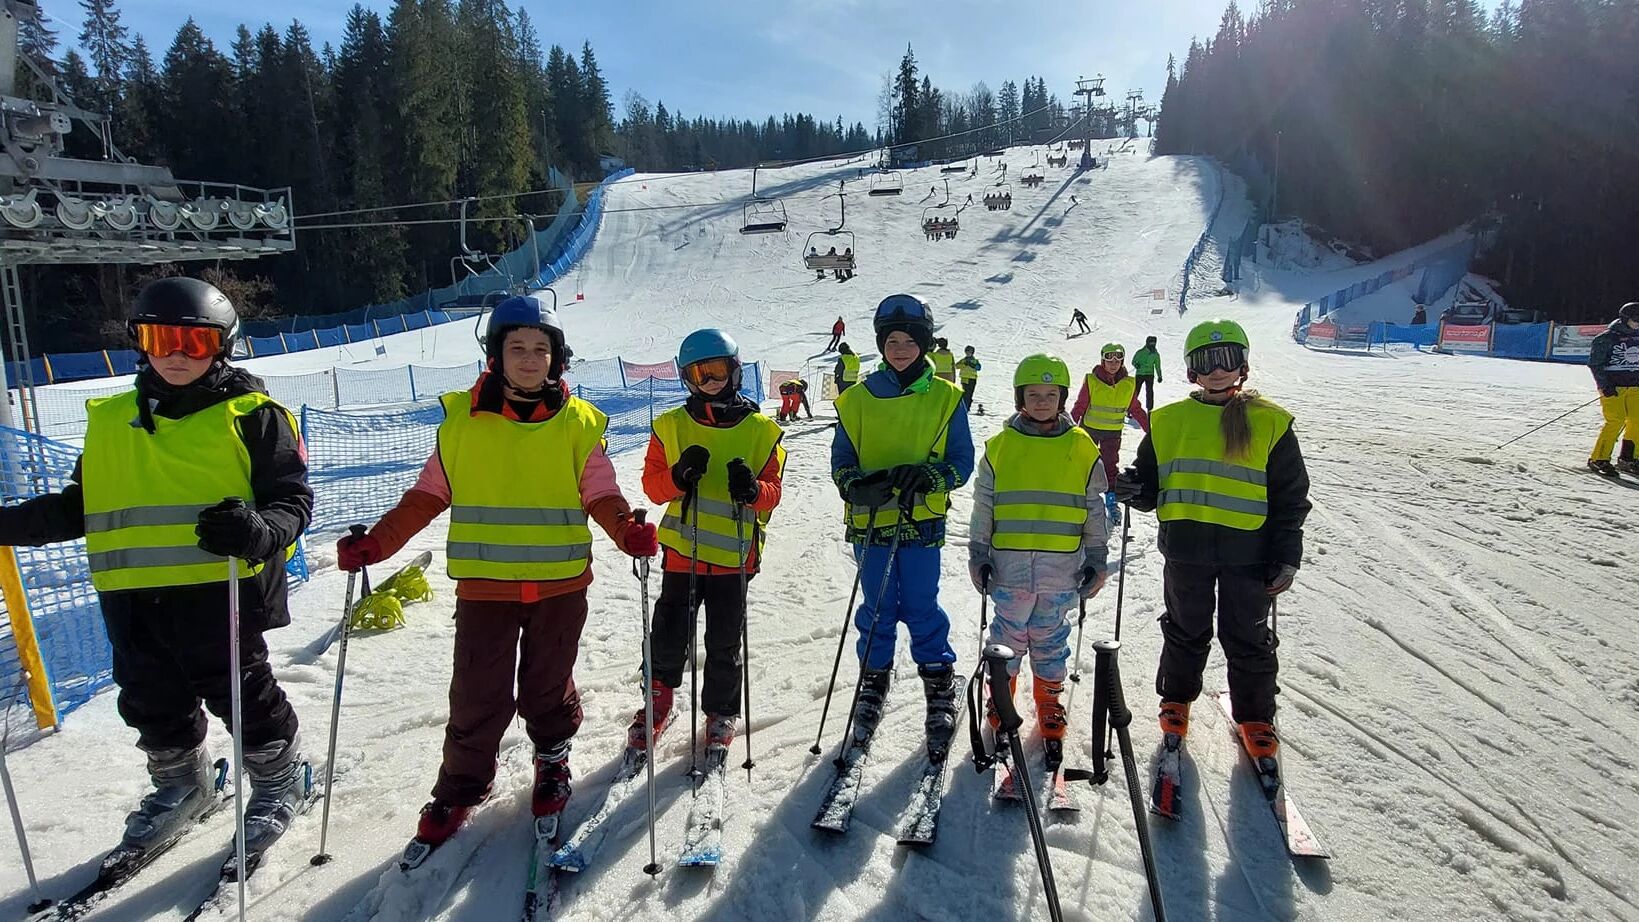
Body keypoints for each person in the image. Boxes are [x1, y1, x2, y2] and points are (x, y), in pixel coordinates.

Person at [0, 278, 313, 858]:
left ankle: (279, 776)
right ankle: (181, 782)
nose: (176, 354)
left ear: (222, 345)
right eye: (161, 339)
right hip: (132, 594)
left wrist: (258, 531)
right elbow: (81, 506)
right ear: (139, 341)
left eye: (195, 343)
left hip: (219, 590)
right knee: (149, 696)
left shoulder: (254, 416)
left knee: (241, 692)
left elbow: (292, 502)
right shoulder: (111, 420)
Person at [336, 293, 658, 849]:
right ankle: (461, 786)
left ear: (557, 358)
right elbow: (427, 496)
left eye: (541, 349)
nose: (530, 359)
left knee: (547, 685)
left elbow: (601, 493)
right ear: (496, 355)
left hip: (559, 586)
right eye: (518, 348)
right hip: (486, 590)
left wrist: (626, 530)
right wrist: (378, 544)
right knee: (477, 693)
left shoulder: (580, 423)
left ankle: (552, 760)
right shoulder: (463, 423)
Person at [1113, 319, 1311, 789]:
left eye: (1227, 360)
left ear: (1242, 365)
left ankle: (1256, 717)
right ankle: (1176, 701)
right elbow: (1152, 485)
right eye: (1206, 361)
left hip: (1250, 554)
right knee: (1185, 630)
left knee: (1247, 637)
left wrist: (1287, 554)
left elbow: (1290, 496)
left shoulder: (1270, 422)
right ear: (1191, 370)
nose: (1217, 370)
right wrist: (1135, 489)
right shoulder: (1169, 421)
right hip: (1187, 550)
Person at [831, 294, 973, 759]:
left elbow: (961, 462)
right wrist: (855, 486)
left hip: (920, 521)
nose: (900, 350)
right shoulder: (855, 400)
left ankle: (937, 678)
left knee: (920, 604)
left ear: (925, 344)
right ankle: (874, 677)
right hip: (872, 521)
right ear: (880, 345)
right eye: (891, 341)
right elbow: (842, 460)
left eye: (909, 342)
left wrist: (931, 477)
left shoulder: (947, 399)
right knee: (877, 607)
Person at [630, 330, 785, 753]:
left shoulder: (762, 431)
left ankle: (721, 711)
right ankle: (657, 700)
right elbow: (653, 487)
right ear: (687, 378)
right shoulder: (670, 426)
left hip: (735, 556)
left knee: (723, 640)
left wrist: (753, 491)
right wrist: (677, 476)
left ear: (735, 371)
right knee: (668, 632)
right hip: (684, 552)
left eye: (717, 371)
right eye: (701, 374)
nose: (711, 381)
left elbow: (773, 492)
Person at [968, 354, 1109, 766]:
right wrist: (978, 553)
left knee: (1050, 641)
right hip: (1009, 569)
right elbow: (983, 505)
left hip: (1060, 571)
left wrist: (1097, 556)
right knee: (1007, 638)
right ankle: (1001, 700)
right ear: (1020, 398)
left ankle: (1049, 704)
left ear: (1063, 397)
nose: (1043, 401)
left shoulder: (1081, 446)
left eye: (1051, 394)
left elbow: (1094, 507)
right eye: (1034, 394)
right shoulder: (1000, 446)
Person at [1071, 343, 1150, 525]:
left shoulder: (1128, 384)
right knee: (1084, 463)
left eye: (1117, 360)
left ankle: (1111, 501)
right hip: (1089, 431)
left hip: (1112, 434)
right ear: (1102, 361)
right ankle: (1079, 497)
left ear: (1122, 361)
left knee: (1110, 467)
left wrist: (1151, 431)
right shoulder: (1092, 381)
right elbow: (1080, 405)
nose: (1113, 363)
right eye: (1109, 359)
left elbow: (1136, 409)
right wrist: (1069, 426)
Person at [1588, 301, 1639, 476]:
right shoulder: (1607, 338)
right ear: (1625, 319)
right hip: (1614, 387)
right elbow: (1595, 364)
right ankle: (1599, 458)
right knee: (1615, 421)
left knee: (1637, 421)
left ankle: (1629, 458)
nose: (1638, 323)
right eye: (1635, 319)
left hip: (1635, 387)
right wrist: (1604, 385)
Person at [1132, 335, 1163, 411]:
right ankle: (1131, 406)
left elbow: (1157, 366)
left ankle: (1149, 409)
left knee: (1149, 391)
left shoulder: (1155, 355)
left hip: (1149, 375)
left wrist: (1159, 376)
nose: (1152, 345)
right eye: (1151, 343)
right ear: (1147, 343)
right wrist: (1136, 365)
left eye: (1154, 343)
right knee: (1136, 391)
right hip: (1140, 374)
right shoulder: (1140, 352)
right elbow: (1134, 361)